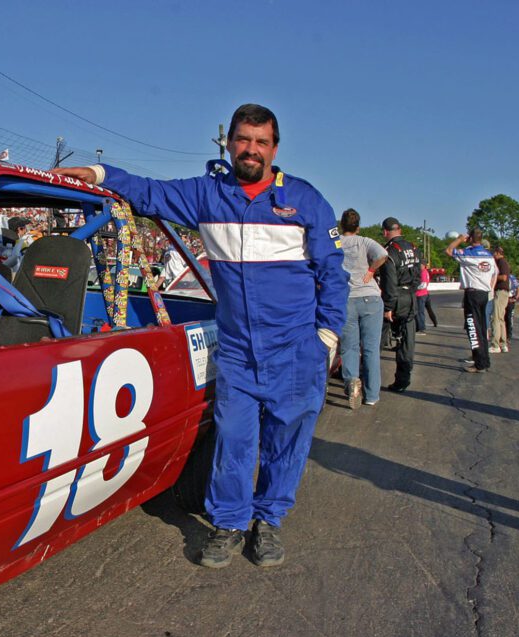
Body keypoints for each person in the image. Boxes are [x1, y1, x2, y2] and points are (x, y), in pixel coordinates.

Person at [52, 103, 347, 569]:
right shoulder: (207, 195)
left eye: (261, 142)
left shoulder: (305, 200)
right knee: (233, 439)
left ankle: (268, 520)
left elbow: (333, 272)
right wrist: (98, 171)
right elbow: (147, 193)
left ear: (274, 148)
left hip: (296, 348)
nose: (252, 150)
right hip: (237, 349)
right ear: (228, 143)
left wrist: (326, 338)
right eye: (243, 140)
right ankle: (229, 523)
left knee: (286, 442)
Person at [339, 208, 388, 409]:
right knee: (370, 348)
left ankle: (351, 382)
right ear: (358, 227)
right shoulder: (364, 241)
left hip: (346, 297)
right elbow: (383, 255)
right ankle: (371, 394)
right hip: (370, 297)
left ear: (341, 226)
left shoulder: (336, 243)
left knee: (349, 347)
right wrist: (371, 270)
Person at [446, 228, 497, 372]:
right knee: (481, 328)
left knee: (473, 328)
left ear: (470, 239)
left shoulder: (469, 254)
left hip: (473, 294)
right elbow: (494, 273)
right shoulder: (489, 256)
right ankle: (484, 361)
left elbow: (449, 250)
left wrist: (459, 239)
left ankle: (479, 363)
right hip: (484, 294)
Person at [379, 217, 420, 392]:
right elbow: (418, 275)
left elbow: (389, 282)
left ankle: (366, 378)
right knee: (407, 342)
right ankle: (403, 380)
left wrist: (388, 307)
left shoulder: (389, 251)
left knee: (378, 340)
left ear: (385, 232)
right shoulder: (413, 248)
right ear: (400, 229)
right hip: (411, 296)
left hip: (395, 298)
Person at [489, 245, 511, 353]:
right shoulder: (504, 262)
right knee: (501, 319)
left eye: (494, 253)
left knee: (496, 318)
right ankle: (503, 344)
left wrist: (491, 276)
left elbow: (503, 277)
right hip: (504, 292)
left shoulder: (501, 262)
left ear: (498, 253)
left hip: (501, 291)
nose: (493, 255)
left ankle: (495, 344)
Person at [415, 263, 437, 333]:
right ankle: (435, 321)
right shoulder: (425, 272)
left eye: (421, 265)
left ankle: (421, 327)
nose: (419, 266)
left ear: (424, 266)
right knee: (429, 309)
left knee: (420, 311)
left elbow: (423, 284)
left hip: (420, 294)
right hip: (425, 293)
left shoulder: (423, 272)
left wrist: (414, 288)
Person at [505, 273, 519, 340]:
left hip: (510, 299)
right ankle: (504, 334)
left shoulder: (512, 277)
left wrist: (516, 297)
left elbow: (518, 287)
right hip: (504, 299)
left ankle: (509, 334)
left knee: (509, 317)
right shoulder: (512, 277)